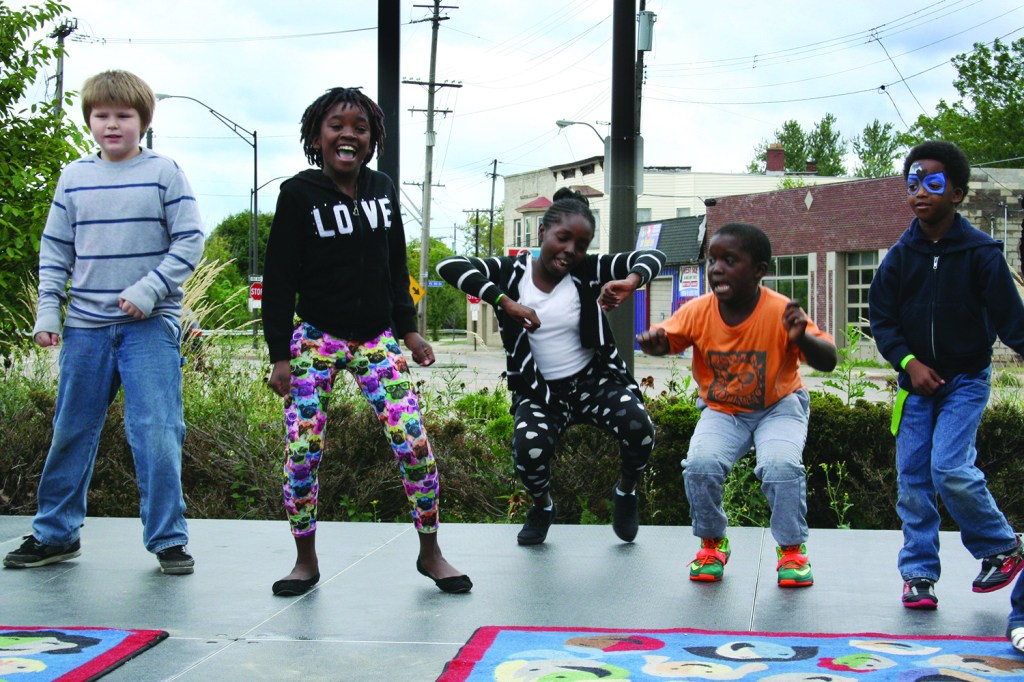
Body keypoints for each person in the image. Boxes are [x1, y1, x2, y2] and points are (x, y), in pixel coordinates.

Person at [261, 87, 470, 597]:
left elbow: (393, 266)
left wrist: (410, 330)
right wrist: (280, 356)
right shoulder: (298, 194)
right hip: (315, 340)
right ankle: (304, 560)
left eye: (360, 127)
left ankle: (431, 552)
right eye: (336, 125)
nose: (347, 134)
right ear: (316, 136)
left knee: (414, 445)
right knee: (303, 452)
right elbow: (279, 279)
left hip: (377, 341)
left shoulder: (381, 189)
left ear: (372, 138)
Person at [2, 70, 204, 575]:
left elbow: (190, 241)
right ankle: (55, 534)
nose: (112, 125)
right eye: (102, 116)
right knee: (72, 430)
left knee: (157, 433)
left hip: (149, 328)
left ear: (143, 121)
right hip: (85, 329)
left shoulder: (165, 173)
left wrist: (148, 289)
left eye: (124, 116)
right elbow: (55, 250)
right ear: (90, 120)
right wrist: (49, 309)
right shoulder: (73, 177)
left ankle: (168, 540)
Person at [436, 188, 665, 546]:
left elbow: (653, 256)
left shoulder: (588, 270)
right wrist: (505, 302)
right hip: (541, 392)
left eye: (581, 243)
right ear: (542, 233)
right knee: (528, 449)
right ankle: (542, 506)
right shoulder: (512, 273)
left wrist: (631, 281)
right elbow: (448, 266)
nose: (571, 250)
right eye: (563, 238)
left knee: (640, 427)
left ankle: (625, 493)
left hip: (594, 382)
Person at [868, 140, 1024, 610]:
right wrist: (908, 364)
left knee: (950, 467)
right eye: (912, 184)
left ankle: (1001, 545)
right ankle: (918, 575)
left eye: (932, 183)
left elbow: (1010, 319)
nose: (920, 192)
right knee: (913, 479)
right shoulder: (900, 255)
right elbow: (882, 319)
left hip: (965, 381)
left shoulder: (981, 252)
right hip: (915, 386)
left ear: (956, 193)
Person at [637, 222, 837, 588]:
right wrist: (655, 342)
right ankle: (713, 542)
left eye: (730, 260)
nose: (717, 268)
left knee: (780, 466)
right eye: (713, 260)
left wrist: (803, 338)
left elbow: (829, 360)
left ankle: (792, 551)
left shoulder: (780, 310)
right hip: (723, 411)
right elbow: (670, 339)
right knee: (700, 466)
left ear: (759, 270)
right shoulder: (699, 310)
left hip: (779, 406)